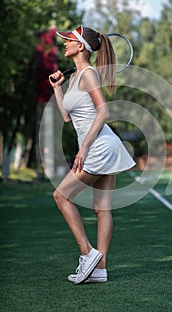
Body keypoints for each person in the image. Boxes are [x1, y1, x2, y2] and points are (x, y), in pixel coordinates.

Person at [49, 25, 135, 284]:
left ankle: (88, 254)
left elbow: (104, 112)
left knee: (61, 196)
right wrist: (57, 89)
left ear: (80, 47)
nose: (64, 44)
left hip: (99, 146)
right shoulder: (75, 76)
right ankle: (100, 269)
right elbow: (67, 117)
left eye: (68, 41)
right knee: (101, 208)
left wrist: (83, 148)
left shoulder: (89, 74)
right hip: (103, 144)